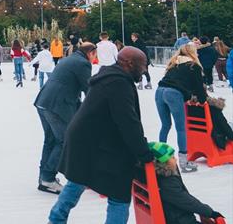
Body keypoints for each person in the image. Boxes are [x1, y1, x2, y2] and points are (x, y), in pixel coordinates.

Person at [47, 47, 154, 224]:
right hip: (91, 141)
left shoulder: (112, 77)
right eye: (143, 66)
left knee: (78, 179)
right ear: (129, 63)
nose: (144, 70)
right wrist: (143, 152)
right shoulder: (118, 83)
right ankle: (56, 219)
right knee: (119, 191)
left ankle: (56, 219)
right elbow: (128, 122)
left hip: (89, 138)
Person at [33, 43, 96, 194]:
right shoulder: (83, 63)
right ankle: (48, 178)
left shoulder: (69, 59)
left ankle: (44, 178)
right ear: (91, 53)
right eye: (95, 55)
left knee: (51, 140)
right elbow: (89, 89)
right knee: (65, 140)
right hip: (56, 106)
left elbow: (69, 85)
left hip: (44, 102)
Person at [156, 43, 208, 173]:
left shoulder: (174, 63)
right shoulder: (193, 66)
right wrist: (202, 100)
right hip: (173, 93)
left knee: (165, 125)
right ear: (192, 53)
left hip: (159, 92)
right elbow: (199, 87)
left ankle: (160, 157)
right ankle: (184, 162)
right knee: (181, 128)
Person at [147, 141, 225, 224]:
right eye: (172, 157)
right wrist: (210, 213)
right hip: (179, 220)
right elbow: (186, 201)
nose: (176, 159)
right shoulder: (167, 183)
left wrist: (202, 212)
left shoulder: (158, 178)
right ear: (162, 163)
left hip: (174, 216)